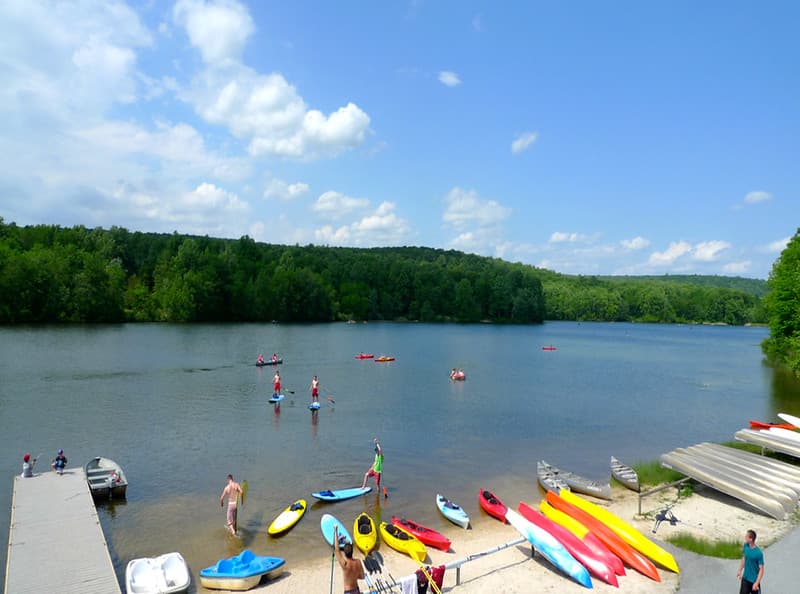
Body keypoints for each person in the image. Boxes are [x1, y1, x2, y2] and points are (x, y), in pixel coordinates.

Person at [333, 525, 365, 594]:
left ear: (344, 553)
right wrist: (354, 576)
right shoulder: (358, 562)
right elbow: (362, 576)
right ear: (352, 552)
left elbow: (337, 550)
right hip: (356, 590)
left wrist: (335, 531)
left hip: (348, 591)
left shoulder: (345, 564)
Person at [737, 529, 764, 594]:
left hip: (754, 581)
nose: (745, 537)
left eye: (746, 536)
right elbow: (744, 558)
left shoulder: (758, 553)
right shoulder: (746, 546)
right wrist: (740, 570)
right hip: (745, 579)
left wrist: (757, 583)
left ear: (751, 539)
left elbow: (761, 570)